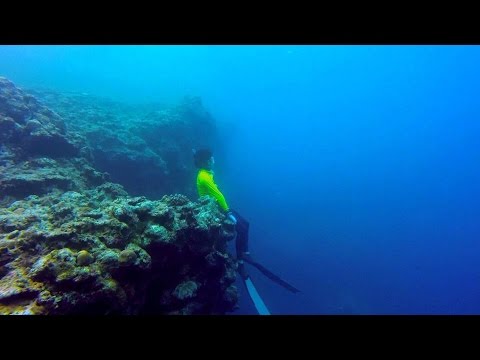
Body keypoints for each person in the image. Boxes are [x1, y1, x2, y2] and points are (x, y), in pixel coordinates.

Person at [193, 148, 300, 295]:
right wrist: (227, 212)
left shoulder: (206, 174)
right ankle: (241, 257)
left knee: (245, 224)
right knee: (240, 226)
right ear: (206, 161)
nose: (214, 160)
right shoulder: (204, 176)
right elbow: (218, 194)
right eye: (211, 158)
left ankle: (243, 255)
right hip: (214, 210)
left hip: (216, 207)